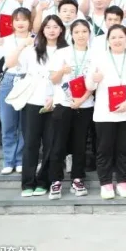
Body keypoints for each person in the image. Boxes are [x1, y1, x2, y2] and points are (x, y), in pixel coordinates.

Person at [86, 25, 126, 199]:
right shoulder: (99, 57)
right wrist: (94, 80)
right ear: (108, 40)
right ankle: (105, 183)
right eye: (113, 37)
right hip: (105, 112)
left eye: (121, 37)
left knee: (125, 148)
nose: (117, 40)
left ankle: (123, 181)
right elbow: (89, 85)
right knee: (104, 148)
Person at [15, 15, 66, 197]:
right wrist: (22, 46)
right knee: (31, 143)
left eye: (55, 27)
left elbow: (67, 80)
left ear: (61, 30)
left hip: (56, 104)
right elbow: (15, 66)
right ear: (42, 30)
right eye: (48, 27)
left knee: (50, 144)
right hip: (33, 101)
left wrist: (55, 97)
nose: (52, 30)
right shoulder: (32, 50)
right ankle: (27, 183)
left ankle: (43, 181)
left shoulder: (67, 51)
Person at [48, 19, 95, 198]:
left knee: (80, 144)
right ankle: (56, 181)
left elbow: (95, 84)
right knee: (58, 144)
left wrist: (81, 100)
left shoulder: (95, 54)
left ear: (89, 33)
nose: (81, 35)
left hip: (85, 105)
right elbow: (53, 79)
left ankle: (77, 179)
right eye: (77, 32)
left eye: (84, 31)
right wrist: (62, 71)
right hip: (64, 104)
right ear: (71, 34)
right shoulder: (62, 53)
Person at [0, 7, 33, 175]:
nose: (20, 23)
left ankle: (20, 160)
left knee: (25, 124)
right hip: (9, 81)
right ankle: (8, 161)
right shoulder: (5, 40)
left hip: (28, 81)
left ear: (30, 22)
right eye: (17, 20)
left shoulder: (36, 40)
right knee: (8, 123)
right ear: (11, 23)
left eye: (24, 19)